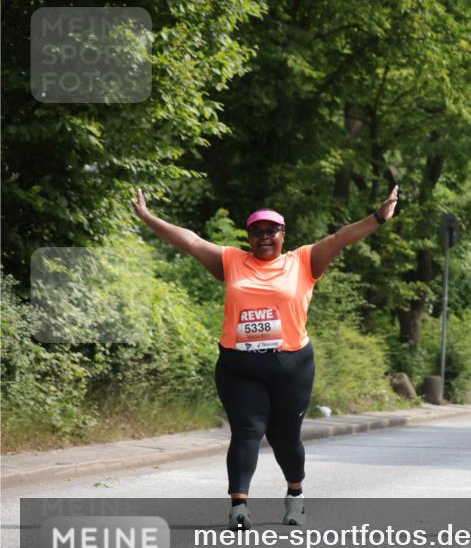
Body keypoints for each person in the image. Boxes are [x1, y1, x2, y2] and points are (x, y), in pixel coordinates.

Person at [130, 186, 399, 529]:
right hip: (240, 366)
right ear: (249, 238)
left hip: (292, 366)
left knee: (285, 439)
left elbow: (339, 238)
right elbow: (192, 241)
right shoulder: (232, 261)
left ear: (283, 235)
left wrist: (378, 218)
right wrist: (149, 218)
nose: (264, 237)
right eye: (256, 232)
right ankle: (238, 507)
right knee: (247, 431)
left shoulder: (303, 261)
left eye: (271, 231)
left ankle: (295, 496)